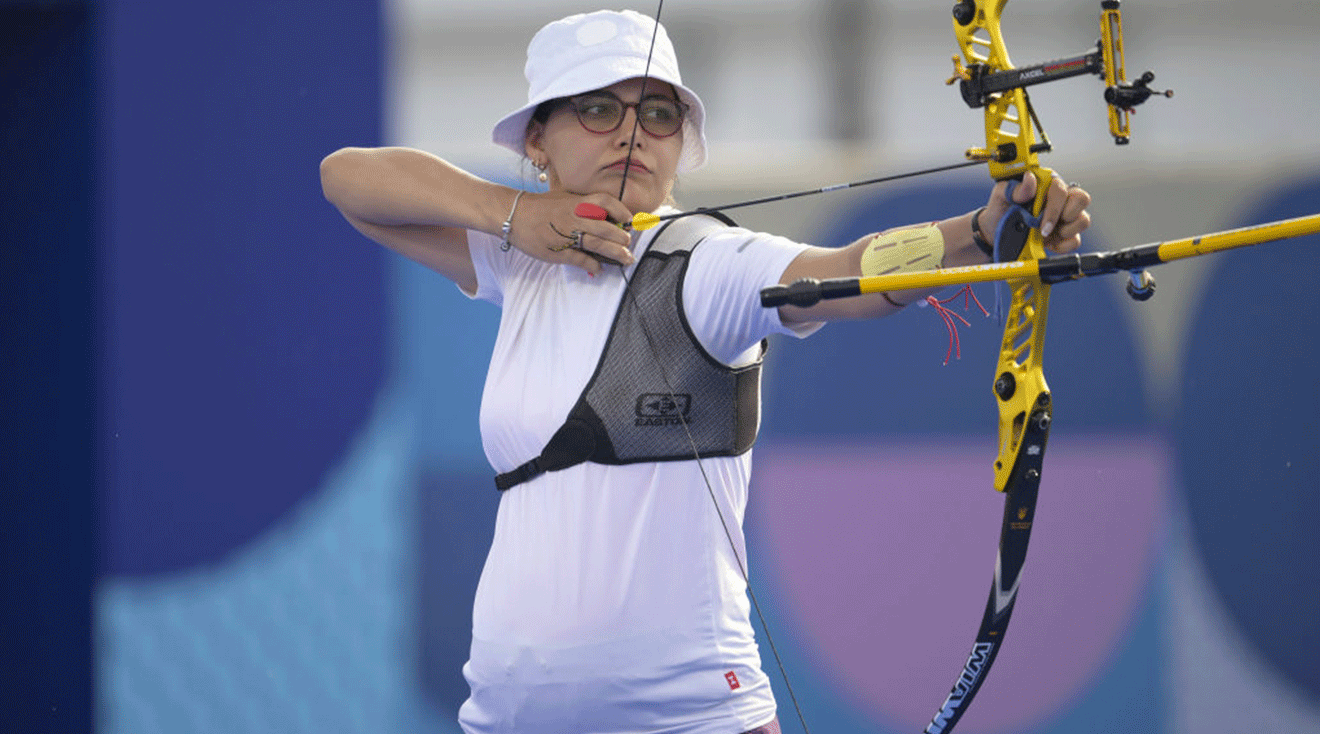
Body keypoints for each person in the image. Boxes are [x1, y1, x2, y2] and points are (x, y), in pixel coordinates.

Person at [320, 9, 1090, 734]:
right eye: (598, 108)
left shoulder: (709, 264)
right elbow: (347, 181)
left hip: (691, 717)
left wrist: (984, 230)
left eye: (657, 113)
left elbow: (848, 271)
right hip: (510, 714)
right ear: (538, 142)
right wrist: (517, 215)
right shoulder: (518, 261)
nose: (632, 131)